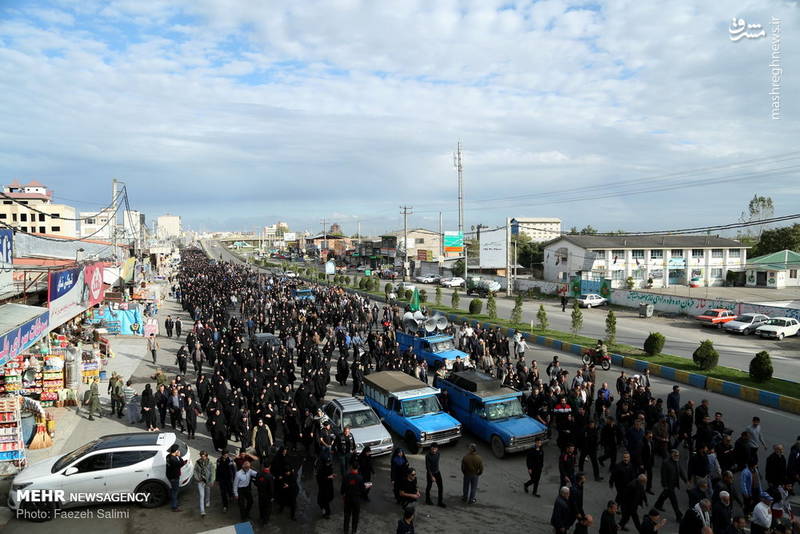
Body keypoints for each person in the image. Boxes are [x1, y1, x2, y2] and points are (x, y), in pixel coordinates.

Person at [655, 449, 687, 521]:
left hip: (674, 483)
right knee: (673, 500)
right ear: (672, 454)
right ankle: (678, 514)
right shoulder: (666, 463)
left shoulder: (676, 461)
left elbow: (680, 471)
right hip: (669, 485)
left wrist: (685, 480)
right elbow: (663, 475)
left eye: (678, 455)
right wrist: (665, 485)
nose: (677, 457)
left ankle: (658, 504)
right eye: (675, 455)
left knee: (665, 494)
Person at [342, 462, 366, 534]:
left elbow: (342, 489)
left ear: (351, 467)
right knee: (355, 516)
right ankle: (354, 531)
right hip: (356, 499)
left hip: (348, 498)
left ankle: (346, 531)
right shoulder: (360, 477)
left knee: (347, 515)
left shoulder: (346, 476)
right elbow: (363, 490)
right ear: (357, 468)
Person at [193, 450, 215, 517]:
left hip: (207, 481)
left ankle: (207, 501)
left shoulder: (210, 463)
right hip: (200, 481)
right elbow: (195, 471)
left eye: (203, 456)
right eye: (201, 456)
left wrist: (212, 481)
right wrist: (197, 478)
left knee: (208, 492)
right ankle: (202, 511)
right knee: (201, 496)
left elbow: (213, 472)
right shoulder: (197, 462)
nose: (202, 457)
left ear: (206, 456)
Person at [166, 444, 187, 512]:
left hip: (169, 475)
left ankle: (174, 502)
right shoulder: (174, 460)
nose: (179, 451)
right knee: (175, 491)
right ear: (176, 451)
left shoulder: (168, 456)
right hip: (174, 477)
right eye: (178, 450)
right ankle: (174, 506)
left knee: (174, 490)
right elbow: (181, 464)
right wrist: (179, 456)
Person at [425, 442, 446, 507]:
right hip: (430, 473)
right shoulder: (427, 456)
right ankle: (427, 500)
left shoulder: (438, 454)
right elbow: (428, 467)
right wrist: (432, 477)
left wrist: (436, 473)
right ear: (430, 448)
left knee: (441, 487)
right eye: (433, 449)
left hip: (437, 472)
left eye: (435, 449)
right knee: (429, 487)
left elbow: (436, 464)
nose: (434, 450)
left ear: (437, 449)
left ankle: (440, 502)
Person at [316, 454, 335, 518]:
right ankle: (325, 511)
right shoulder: (321, 469)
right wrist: (328, 477)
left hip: (329, 486)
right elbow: (319, 478)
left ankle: (327, 513)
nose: (328, 464)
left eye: (329, 462)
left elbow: (330, 473)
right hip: (323, 487)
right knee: (321, 501)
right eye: (327, 463)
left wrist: (332, 475)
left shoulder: (329, 467)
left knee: (325, 500)